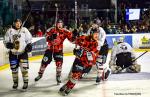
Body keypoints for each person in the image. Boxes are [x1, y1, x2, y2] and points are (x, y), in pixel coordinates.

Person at [59, 29, 99, 96]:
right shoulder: (83, 38)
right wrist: (73, 36)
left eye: (97, 34)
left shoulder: (96, 44)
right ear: (91, 33)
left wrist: (89, 55)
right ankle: (69, 88)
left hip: (88, 64)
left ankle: (67, 84)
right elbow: (73, 41)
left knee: (77, 77)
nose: (97, 36)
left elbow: (94, 55)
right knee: (76, 75)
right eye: (95, 34)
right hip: (79, 61)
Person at [34, 19, 74, 85]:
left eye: (61, 24)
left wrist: (74, 35)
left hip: (58, 50)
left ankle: (58, 77)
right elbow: (45, 37)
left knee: (59, 63)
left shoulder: (65, 31)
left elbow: (72, 40)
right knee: (44, 62)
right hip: (50, 49)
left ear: (62, 24)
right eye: (58, 23)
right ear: (56, 24)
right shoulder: (52, 29)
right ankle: (40, 74)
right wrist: (50, 37)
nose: (59, 25)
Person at [4, 19, 32, 90]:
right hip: (13, 54)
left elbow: (29, 39)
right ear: (14, 23)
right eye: (16, 23)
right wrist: (8, 44)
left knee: (24, 69)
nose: (18, 24)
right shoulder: (10, 31)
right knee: (14, 69)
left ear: (21, 23)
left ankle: (25, 83)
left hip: (23, 53)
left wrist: (29, 45)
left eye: (19, 23)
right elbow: (5, 40)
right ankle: (15, 82)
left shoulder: (24, 30)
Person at [86, 18, 110, 84]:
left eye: (95, 24)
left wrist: (94, 44)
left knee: (100, 62)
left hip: (103, 48)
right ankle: (107, 70)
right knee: (96, 62)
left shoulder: (102, 31)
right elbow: (87, 38)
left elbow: (101, 43)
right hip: (96, 47)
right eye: (93, 24)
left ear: (98, 25)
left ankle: (99, 76)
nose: (93, 25)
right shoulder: (90, 30)